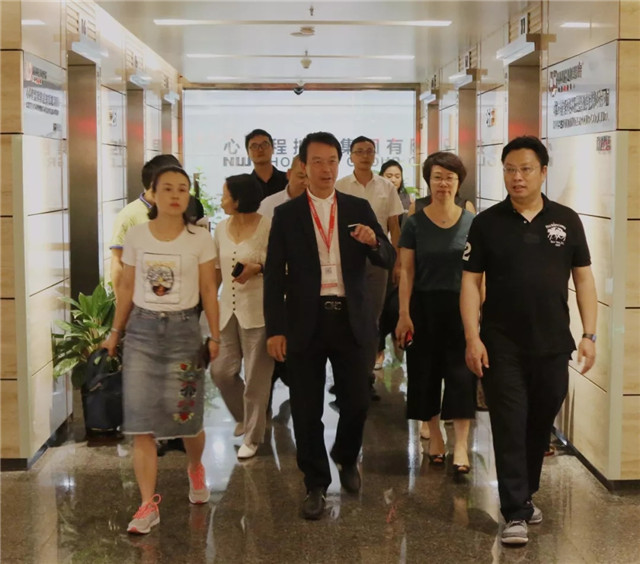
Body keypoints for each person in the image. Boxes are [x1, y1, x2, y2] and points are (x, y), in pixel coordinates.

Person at [460, 135, 597, 546]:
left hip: (553, 343)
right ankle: (515, 511)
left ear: (543, 172)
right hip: (501, 344)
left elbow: (584, 278)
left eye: (525, 169)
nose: (517, 177)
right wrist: (472, 337)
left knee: (539, 423)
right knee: (509, 423)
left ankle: (525, 493)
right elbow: (470, 283)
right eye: (509, 170)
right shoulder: (487, 222)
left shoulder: (566, 220)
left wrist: (589, 334)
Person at [264, 131, 395, 520]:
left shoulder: (357, 206)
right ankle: (315, 483)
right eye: (317, 161)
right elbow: (273, 276)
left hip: (351, 318)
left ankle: (346, 455)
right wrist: (275, 329)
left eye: (332, 161)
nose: (325, 169)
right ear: (303, 166)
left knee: (356, 401)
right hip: (305, 320)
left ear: (340, 164)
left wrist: (373, 242)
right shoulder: (287, 214)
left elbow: (388, 256)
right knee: (307, 409)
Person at [102, 165, 221, 534]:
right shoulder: (137, 235)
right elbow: (126, 287)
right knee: (141, 422)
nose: (175, 195)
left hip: (184, 334)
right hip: (142, 332)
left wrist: (215, 336)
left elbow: (208, 290)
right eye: (167, 188)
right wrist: (115, 332)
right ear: (152, 193)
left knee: (187, 420)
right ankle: (146, 505)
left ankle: (195, 467)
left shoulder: (199, 239)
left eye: (182, 189)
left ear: (188, 196)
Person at [395, 152, 476, 474]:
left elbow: (478, 273)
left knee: (462, 375)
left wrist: (479, 313)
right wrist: (403, 313)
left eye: (450, 178)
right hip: (423, 307)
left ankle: (461, 445)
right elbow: (406, 271)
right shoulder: (415, 222)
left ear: (458, 183)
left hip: (461, 307)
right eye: (438, 177)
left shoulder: (471, 222)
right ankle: (436, 436)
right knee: (425, 374)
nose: (443, 183)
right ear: (428, 181)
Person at [335, 137, 405, 400]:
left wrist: (396, 262)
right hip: (347, 260)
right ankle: (345, 378)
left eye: (369, 151)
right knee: (345, 319)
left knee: (372, 320)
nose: (365, 155)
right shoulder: (340, 186)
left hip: (378, 260)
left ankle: (365, 378)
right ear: (351, 156)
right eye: (359, 151)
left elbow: (394, 228)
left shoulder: (386, 187)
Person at [210, 174, 274, 460]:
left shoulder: (267, 226)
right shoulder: (220, 228)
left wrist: (257, 268)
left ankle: (252, 436)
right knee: (221, 372)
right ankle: (245, 417)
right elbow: (216, 270)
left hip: (259, 311)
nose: (221, 200)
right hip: (227, 311)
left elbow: (282, 267)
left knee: (256, 379)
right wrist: (207, 304)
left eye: (225, 194)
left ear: (238, 200)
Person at [110, 154, 181, 301]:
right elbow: (118, 261)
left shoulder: (177, 210)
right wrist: (122, 302)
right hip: (142, 300)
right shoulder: (130, 215)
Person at [376, 160, 412, 371]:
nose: (393, 180)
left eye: (397, 176)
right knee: (380, 306)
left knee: (395, 305)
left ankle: (397, 338)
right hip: (382, 258)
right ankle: (379, 348)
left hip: (403, 259)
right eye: (389, 175)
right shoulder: (378, 198)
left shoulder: (409, 202)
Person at [258, 155, 309, 219]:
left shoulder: (319, 204)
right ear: (289, 174)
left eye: (311, 178)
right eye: (301, 177)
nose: (306, 182)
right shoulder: (268, 205)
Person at [245, 128, 288, 200]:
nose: (260, 149)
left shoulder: (288, 180)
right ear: (248, 153)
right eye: (254, 146)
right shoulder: (245, 186)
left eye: (264, 145)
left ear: (273, 149)